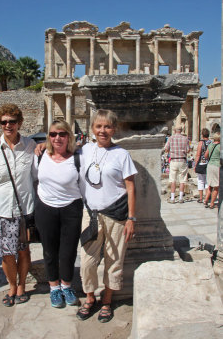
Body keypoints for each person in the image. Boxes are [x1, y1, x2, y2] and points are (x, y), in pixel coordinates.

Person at [76, 109, 137, 323]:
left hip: (116, 215)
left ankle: (107, 301)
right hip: (91, 214)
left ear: (114, 129)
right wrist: (39, 146)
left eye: (107, 126)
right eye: (99, 126)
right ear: (92, 128)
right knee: (87, 261)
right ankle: (90, 297)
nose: (103, 130)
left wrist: (131, 218)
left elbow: (130, 187)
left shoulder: (122, 154)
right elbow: (59, 152)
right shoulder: (84, 151)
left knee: (114, 260)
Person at [0, 104, 36, 307]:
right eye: (4, 122)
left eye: (12, 121)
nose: (8, 125)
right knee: (6, 254)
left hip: (24, 210)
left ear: (19, 123)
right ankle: (12, 285)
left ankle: (22, 285)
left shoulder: (31, 146)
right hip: (2, 211)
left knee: (23, 251)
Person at [34, 120, 83, 308]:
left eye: (62, 134)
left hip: (71, 207)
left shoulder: (78, 157)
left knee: (68, 251)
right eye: (53, 134)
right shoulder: (40, 155)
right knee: (49, 250)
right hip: (45, 207)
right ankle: (54, 288)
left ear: (69, 136)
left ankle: (67, 285)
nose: (57, 138)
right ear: (48, 136)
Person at [165, 125, 190, 204]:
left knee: (173, 180)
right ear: (181, 130)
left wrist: (170, 152)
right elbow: (188, 150)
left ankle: (172, 198)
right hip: (182, 160)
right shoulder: (185, 139)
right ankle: (181, 198)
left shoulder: (171, 138)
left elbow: (166, 149)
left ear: (175, 130)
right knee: (182, 180)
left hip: (174, 160)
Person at [203, 132, 220, 209]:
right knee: (216, 186)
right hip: (217, 166)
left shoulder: (210, 145)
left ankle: (206, 200)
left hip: (210, 165)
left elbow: (206, 155)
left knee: (209, 184)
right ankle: (212, 203)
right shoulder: (220, 146)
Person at [194, 128, 210, 203]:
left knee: (200, 181)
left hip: (201, 163)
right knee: (207, 181)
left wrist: (195, 164)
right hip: (208, 163)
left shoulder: (201, 143)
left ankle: (201, 198)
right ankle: (207, 197)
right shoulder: (211, 142)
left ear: (202, 135)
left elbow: (198, 154)